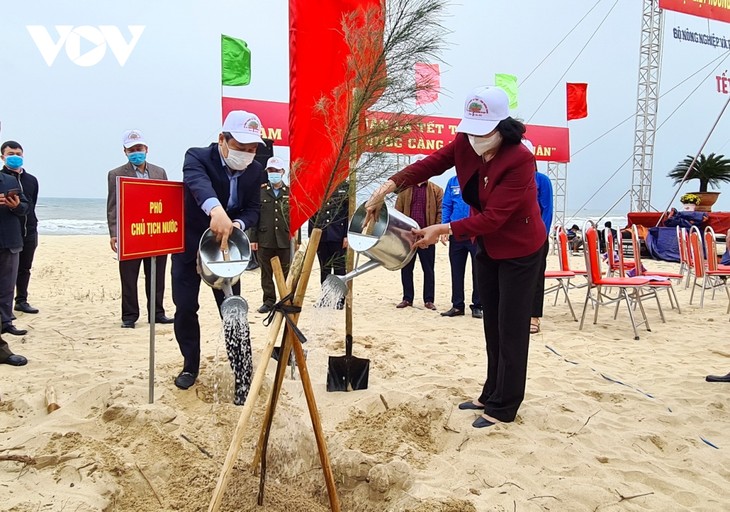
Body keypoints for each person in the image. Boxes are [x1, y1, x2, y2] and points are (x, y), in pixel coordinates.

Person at [366, 85, 544, 428]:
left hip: (520, 248)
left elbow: (495, 217)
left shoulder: (520, 159)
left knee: (511, 326)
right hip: (487, 246)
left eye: (483, 131)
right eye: (471, 130)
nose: (475, 138)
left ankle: (505, 405)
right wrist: (389, 186)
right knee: (491, 320)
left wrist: (440, 229)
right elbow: (429, 164)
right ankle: (491, 391)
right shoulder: (465, 143)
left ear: (502, 126)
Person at [172, 110, 264, 394]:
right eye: (240, 147)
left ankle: (242, 371)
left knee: (233, 308)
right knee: (185, 308)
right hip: (189, 247)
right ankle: (190, 365)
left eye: (252, 149)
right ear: (222, 140)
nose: (247, 155)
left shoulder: (255, 170)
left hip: (227, 250)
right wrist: (216, 211)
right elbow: (198, 185)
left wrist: (236, 224)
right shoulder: (197, 157)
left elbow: (253, 209)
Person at [106, 130, 173, 328]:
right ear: (125, 151)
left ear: (146, 149)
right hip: (130, 233)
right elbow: (113, 205)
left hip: (156, 231)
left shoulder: (159, 172)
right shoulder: (116, 174)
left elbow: (166, 200)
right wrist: (114, 233)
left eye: (139, 149)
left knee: (157, 275)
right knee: (128, 277)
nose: (137, 152)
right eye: (132, 149)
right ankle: (129, 316)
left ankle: (157, 313)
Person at [250, 156, 293, 314]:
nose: (272, 173)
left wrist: (296, 239)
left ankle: (286, 299)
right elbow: (254, 216)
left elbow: (296, 217)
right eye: (270, 171)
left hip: (284, 239)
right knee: (266, 272)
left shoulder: (290, 192)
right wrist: (252, 238)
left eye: (275, 171)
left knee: (286, 271)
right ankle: (268, 301)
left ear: (282, 172)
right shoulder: (260, 192)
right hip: (265, 238)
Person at [1, 141, 40, 315]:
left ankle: (21, 300)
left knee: (25, 267)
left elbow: (30, 205)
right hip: (8, 233)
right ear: (2, 157)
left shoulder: (31, 180)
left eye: (18, 153)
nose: (15, 157)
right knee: (6, 271)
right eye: (10, 154)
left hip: (29, 230)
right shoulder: (2, 179)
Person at [394, 179, 443, 310]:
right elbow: (397, 212)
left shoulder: (436, 190)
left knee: (428, 269)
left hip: (427, 236)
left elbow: (440, 212)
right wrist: (399, 233)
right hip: (408, 237)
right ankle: (407, 298)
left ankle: (428, 300)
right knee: (406, 268)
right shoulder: (404, 190)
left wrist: (436, 232)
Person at [439, 174, 482, 319]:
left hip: (475, 233)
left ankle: (477, 306)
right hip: (456, 232)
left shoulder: (480, 179)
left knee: (478, 271)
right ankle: (457, 305)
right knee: (456, 270)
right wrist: (444, 228)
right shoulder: (453, 181)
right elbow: (447, 205)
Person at [0, 164, 30, 337]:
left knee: (7, 286)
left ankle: (6, 322)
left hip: (10, 240)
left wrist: (16, 205)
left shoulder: (10, 180)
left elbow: (25, 207)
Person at [529, 154, 553, 334]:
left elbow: (547, 210)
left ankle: (534, 316)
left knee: (536, 277)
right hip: (514, 238)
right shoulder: (510, 179)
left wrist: (540, 235)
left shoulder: (541, 180)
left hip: (536, 237)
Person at [309, 180, 349, 286]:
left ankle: (339, 300)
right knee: (324, 269)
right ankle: (325, 297)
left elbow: (348, 212)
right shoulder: (317, 185)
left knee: (339, 268)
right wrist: (311, 236)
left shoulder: (344, 186)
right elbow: (311, 212)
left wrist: (347, 235)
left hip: (338, 235)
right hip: (321, 234)